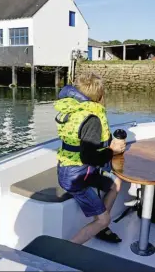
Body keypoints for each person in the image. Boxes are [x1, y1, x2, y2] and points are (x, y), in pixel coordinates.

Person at [54, 72, 126, 244]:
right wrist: (113, 151)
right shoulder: (92, 119)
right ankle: (64, 253)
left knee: (116, 183)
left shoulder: (74, 110)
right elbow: (90, 157)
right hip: (76, 179)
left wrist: (109, 145)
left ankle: (101, 225)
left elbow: (84, 144)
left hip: (71, 169)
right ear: (100, 96)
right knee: (104, 219)